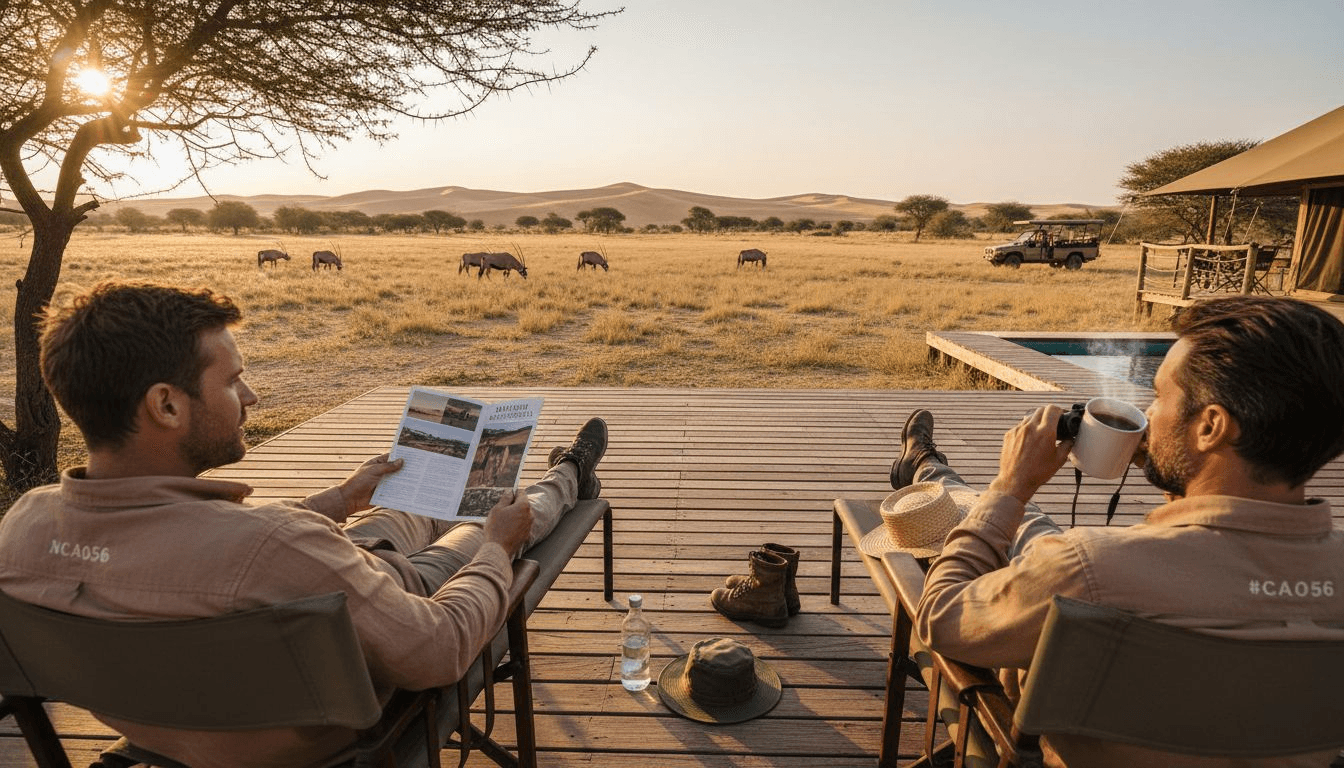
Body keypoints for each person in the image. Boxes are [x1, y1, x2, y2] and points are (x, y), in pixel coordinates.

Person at [0, 280, 608, 768]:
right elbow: (440, 650)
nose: (253, 396)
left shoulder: (23, 528)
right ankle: (569, 476)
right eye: (234, 380)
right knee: (500, 519)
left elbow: (202, 548)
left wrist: (342, 499)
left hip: (189, 720)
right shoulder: (275, 548)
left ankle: (464, 498)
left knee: (403, 507)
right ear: (166, 405)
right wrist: (498, 550)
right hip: (385, 645)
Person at [892, 295, 1344, 768]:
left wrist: (1010, 486)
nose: (1150, 412)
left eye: (1159, 395)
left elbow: (941, 618)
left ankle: (927, 469)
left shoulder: (1090, 571)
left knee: (1018, 526)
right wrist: (1181, 476)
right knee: (1036, 531)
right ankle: (927, 468)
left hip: (1025, 739)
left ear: (1210, 426)